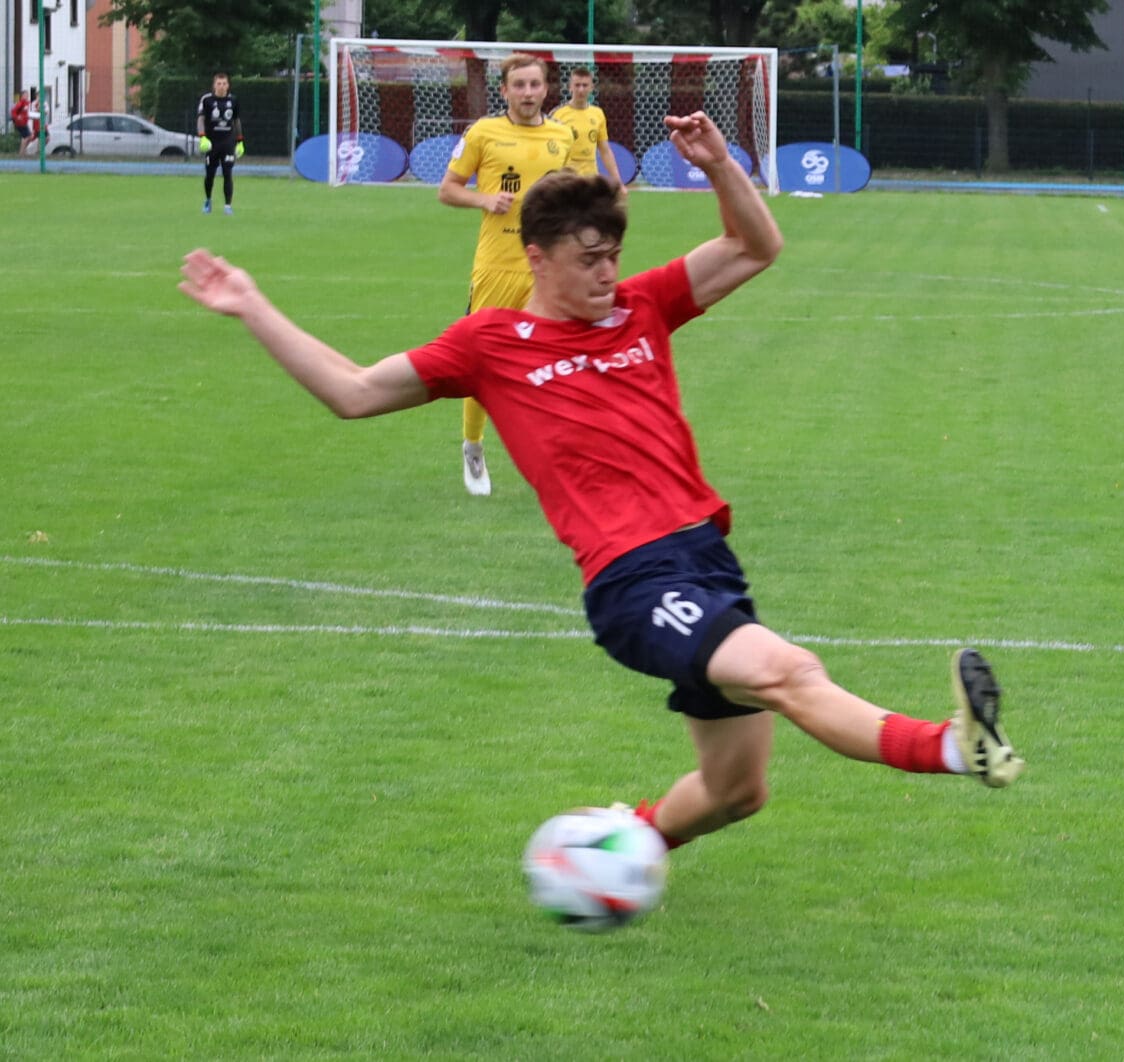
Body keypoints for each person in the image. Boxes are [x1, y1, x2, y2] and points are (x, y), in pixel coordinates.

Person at [177, 118, 1026, 871]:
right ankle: (954, 747)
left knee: (736, 792)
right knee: (788, 669)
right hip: (632, 580)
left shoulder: (640, 307)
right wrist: (252, 305)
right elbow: (354, 391)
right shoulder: (489, 344)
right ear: (537, 257)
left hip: (705, 561)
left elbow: (755, 248)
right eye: (589, 260)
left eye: (614, 255)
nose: (607, 274)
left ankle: (619, 851)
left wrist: (723, 167)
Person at [438, 54, 583, 496]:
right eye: (518, 85)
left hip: (549, 268)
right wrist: (484, 200)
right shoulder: (483, 132)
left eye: (534, 85)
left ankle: (557, 459)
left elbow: (570, 194)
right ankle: (473, 447)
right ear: (504, 91)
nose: (527, 93)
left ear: (545, 89)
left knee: (558, 361)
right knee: (482, 362)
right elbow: (447, 190)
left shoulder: (563, 135)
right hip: (498, 266)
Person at [551, 67, 627, 204]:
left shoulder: (598, 114)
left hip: (590, 178)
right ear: (570, 87)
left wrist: (618, 182)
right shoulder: (558, 115)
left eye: (585, 85)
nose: (581, 89)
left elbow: (605, 151)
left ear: (591, 87)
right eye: (577, 85)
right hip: (566, 178)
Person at [197, 73, 244, 215]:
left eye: (224, 83)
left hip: (227, 142)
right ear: (214, 85)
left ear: (228, 85)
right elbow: (200, 119)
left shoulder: (233, 100)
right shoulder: (207, 100)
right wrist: (202, 137)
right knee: (210, 174)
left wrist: (240, 141)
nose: (222, 86)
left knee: (227, 173)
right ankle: (208, 200)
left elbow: (236, 121)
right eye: (219, 83)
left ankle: (228, 206)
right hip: (212, 143)